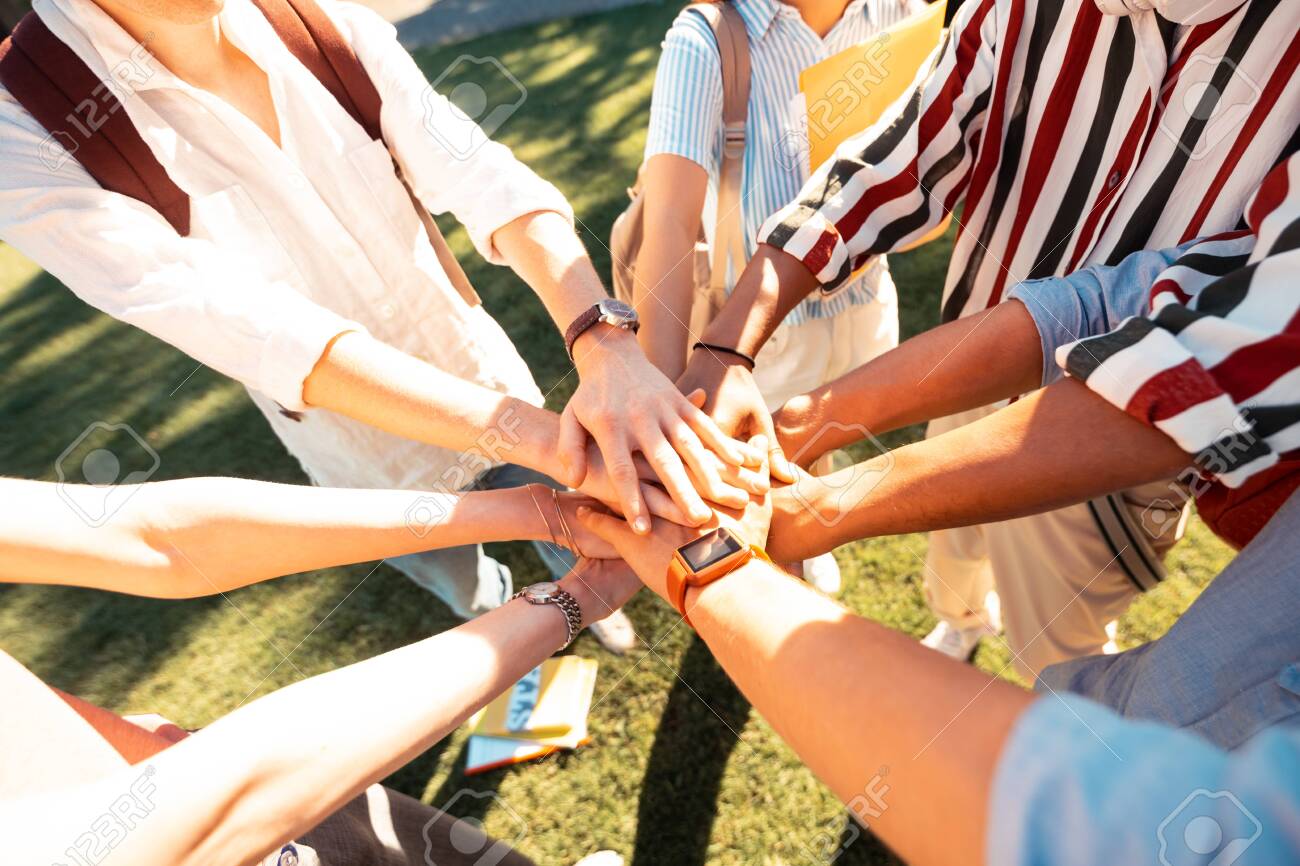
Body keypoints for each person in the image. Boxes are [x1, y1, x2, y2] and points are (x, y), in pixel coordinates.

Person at [0, 0, 767, 650]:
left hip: (471, 359)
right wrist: (557, 445)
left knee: (557, 508)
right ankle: (495, 602)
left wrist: (604, 344)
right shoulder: (24, 117)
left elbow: (477, 171)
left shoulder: (309, 15)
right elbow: (236, 320)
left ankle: (572, 595)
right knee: (451, 567)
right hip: (357, 446)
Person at [675, 0, 1300, 668]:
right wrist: (733, 353)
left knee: (1061, 663)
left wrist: (823, 490)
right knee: (954, 556)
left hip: (1119, 459)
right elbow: (909, 147)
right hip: (956, 368)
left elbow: (1206, 354)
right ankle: (962, 621)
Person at [573, 479, 1300, 866]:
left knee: (1064, 644)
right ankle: (969, 625)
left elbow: (1122, 836)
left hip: (1093, 723)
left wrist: (714, 572)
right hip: (1111, 704)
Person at [0, 473, 634, 865]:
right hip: (187, 819)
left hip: (164, 772)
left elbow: (152, 537)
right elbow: (216, 815)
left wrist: (535, 509)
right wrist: (570, 600)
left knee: (396, 840)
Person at [636, 0, 926, 592]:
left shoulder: (901, 10)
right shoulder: (706, 40)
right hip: (756, 339)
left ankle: (802, 543)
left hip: (868, 303)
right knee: (755, 496)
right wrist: (655, 417)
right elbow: (667, 219)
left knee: (811, 461)